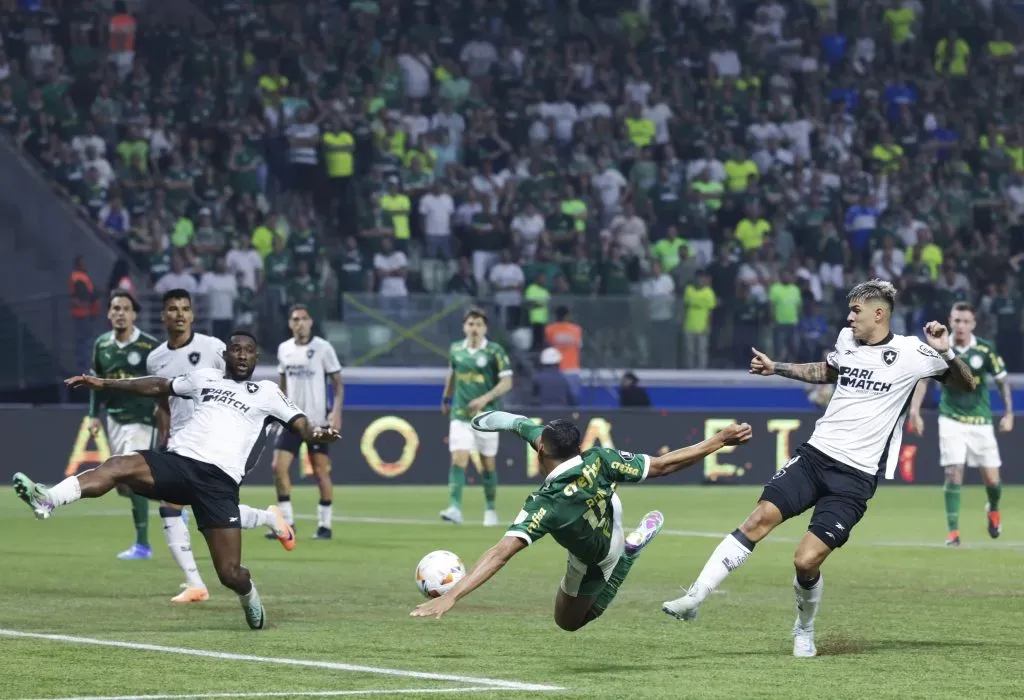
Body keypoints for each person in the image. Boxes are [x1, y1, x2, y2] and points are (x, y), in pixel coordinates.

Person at [662, 279, 977, 657]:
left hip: (855, 477)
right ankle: (695, 596)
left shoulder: (912, 352)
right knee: (758, 519)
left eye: (856, 310)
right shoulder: (847, 340)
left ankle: (804, 628)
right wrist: (775, 367)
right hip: (815, 457)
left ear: (879, 314)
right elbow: (826, 371)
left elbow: (967, 386)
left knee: (806, 560)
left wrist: (947, 353)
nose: (849, 317)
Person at [13, 331, 340, 629]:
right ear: (225, 356)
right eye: (236, 349)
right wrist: (106, 384)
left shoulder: (268, 392)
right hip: (179, 462)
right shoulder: (206, 378)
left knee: (230, 574)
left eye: (249, 351)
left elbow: (302, 426)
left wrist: (319, 434)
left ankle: (249, 595)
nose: (241, 355)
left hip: (219, 482)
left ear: (256, 358)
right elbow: (158, 385)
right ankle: (49, 499)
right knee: (116, 466)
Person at [411, 410, 752, 627]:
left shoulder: (546, 505)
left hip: (599, 556)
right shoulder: (600, 458)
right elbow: (664, 465)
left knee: (570, 622)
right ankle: (625, 541)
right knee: (609, 500)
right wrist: (719, 440)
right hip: (607, 507)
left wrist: (451, 596)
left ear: (542, 450)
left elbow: (500, 553)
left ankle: (627, 558)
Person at [147, 289, 295, 604]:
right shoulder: (156, 357)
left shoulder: (214, 348)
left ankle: (195, 583)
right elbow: (163, 401)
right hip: (183, 442)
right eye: (173, 309)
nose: (180, 315)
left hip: (220, 444)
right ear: (164, 315)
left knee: (185, 505)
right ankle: (196, 581)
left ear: (192, 315)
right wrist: (165, 435)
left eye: (185, 309)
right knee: (177, 504)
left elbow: (239, 385)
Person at [909, 302, 1013, 546]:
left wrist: (1008, 413)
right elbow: (923, 380)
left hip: (981, 421)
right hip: (951, 418)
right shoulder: (939, 349)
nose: (961, 326)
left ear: (973, 325)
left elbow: (1002, 381)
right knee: (953, 472)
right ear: (950, 321)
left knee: (993, 482)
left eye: (966, 321)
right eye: (956, 321)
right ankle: (953, 532)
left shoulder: (985, 350)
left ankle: (993, 508)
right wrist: (915, 411)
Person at [89, 290, 160, 560]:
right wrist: (94, 415)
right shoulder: (102, 345)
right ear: (109, 313)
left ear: (134, 315)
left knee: (130, 475)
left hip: (142, 420)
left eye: (125, 308)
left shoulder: (149, 346)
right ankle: (174, 503)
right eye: (115, 308)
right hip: (115, 418)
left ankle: (143, 545)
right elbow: (96, 384)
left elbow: (161, 382)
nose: (120, 313)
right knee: (122, 486)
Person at [271, 305, 344, 540]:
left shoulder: (323, 348)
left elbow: (338, 384)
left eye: (304, 318)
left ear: (310, 322)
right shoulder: (284, 349)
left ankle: (325, 525)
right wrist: (278, 411)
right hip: (293, 420)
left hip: (317, 421)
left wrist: (336, 413)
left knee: (321, 472)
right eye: (295, 319)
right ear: (290, 324)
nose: (300, 323)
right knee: (278, 467)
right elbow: (282, 383)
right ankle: (287, 523)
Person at [440, 307, 514, 526]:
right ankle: (454, 508)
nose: (474, 328)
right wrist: (446, 398)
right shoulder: (456, 349)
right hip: (460, 414)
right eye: (471, 324)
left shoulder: (495, 351)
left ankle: (490, 510)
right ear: (464, 327)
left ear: (485, 328)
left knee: (487, 464)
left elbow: (507, 382)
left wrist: (484, 399)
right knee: (458, 458)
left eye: (479, 324)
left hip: (488, 416)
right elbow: (452, 375)